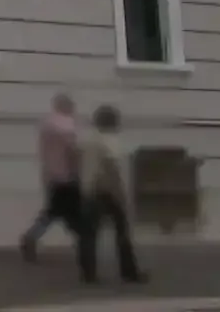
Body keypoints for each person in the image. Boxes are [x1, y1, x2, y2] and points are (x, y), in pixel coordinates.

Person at [76, 103, 146, 284]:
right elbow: (111, 168)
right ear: (113, 122)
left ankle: (88, 274)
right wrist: (121, 194)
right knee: (122, 232)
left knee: (89, 234)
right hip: (106, 191)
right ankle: (129, 272)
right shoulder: (110, 140)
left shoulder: (87, 140)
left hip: (88, 190)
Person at [20, 92, 81, 261]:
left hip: (50, 175)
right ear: (67, 106)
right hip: (66, 176)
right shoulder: (67, 124)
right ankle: (84, 244)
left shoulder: (47, 124)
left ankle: (31, 237)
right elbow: (72, 150)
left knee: (56, 211)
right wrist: (78, 171)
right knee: (71, 212)